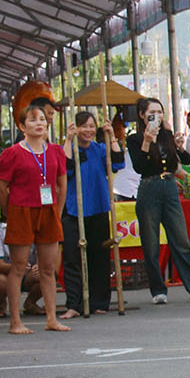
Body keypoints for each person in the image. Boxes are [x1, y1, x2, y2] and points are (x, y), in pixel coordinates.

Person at [126, 97, 190, 305]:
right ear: (142, 115)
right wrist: (147, 141)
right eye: (152, 112)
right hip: (148, 188)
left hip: (169, 186)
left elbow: (183, 162)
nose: (157, 116)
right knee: (151, 242)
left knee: (180, 238)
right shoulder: (135, 139)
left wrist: (180, 147)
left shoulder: (166, 135)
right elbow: (140, 166)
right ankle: (158, 289)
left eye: (160, 112)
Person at [0, 103, 70, 334]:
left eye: (42, 119)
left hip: (48, 211)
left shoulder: (56, 151)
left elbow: (61, 183)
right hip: (21, 210)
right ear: (21, 126)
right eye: (32, 119)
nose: (39, 123)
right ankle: (15, 320)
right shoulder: (12, 153)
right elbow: (1, 187)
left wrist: (57, 211)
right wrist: (10, 212)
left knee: (48, 268)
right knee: (18, 267)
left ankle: (51, 318)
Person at [59, 111, 124, 318]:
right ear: (75, 128)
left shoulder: (100, 148)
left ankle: (99, 301)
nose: (88, 130)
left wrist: (111, 135)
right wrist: (68, 139)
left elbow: (118, 163)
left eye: (91, 126)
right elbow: (64, 169)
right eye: (83, 126)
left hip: (98, 207)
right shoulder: (69, 149)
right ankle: (74, 304)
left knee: (100, 256)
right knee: (73, 257)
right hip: (73, 209)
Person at [0, 219, 43, 321]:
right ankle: (1, 304)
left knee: (45, 273)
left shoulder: (36, 227)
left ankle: (31, 302)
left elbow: (44, 252)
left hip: (28, 273)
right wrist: (18, 267)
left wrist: (39, 265)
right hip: (5, 273)